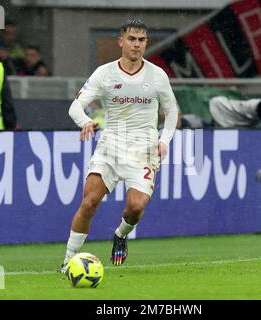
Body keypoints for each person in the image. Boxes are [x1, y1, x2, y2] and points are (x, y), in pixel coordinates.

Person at [59, 19, 178, 270]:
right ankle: (68, 259)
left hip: (144, 148)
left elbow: (171, 111)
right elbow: (75, 106)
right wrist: (85, 121)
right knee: (89, 202)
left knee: (135, 207)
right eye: (132, 39)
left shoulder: (157, 76)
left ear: (146, 43)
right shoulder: (105, 73)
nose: (137, 44)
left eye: (142, 40)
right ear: (120, 41)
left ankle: (121, 235)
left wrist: (164, 140)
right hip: (111, 145)